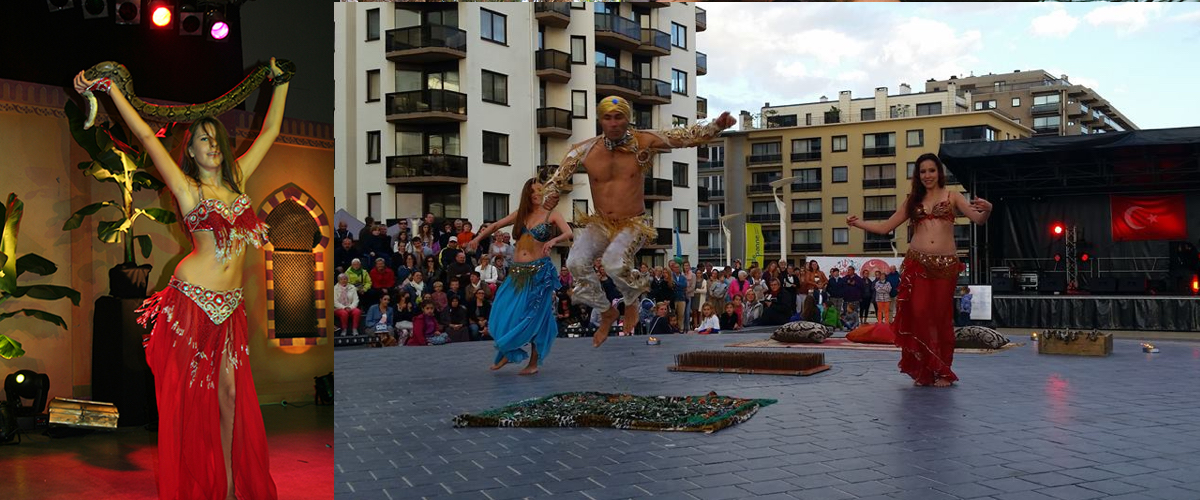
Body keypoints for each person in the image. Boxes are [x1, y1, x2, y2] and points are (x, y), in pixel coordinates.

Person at [78, 56, 290, 499]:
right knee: (195, 404)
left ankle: (230, 489)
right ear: (189, 150)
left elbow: (270, 132)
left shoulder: (238, 179)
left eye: (217, 139)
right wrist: (109, 88)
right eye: (203, 140)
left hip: (230, 308)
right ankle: (202, 486)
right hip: (191, 305)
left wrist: (282, 81)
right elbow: (141, 132)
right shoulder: (186, 187)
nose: (212, 145)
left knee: (231, 397)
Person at [543, 96, 736, 347]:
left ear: (627, 118)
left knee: (612, 263)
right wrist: (551, 194)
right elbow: (556, 179)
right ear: (600, 120)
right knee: (576, 262)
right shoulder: (584, 149)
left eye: (618, 117)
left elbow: (684, 137)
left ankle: (631, 300)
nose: (613, 123)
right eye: (608, 118)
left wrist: (716, 126)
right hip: (601, 222)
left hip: (633, 222)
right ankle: (607, 311)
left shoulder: (643, 141)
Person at [848, 152, 991, 387]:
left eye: (931, 170)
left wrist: (988, 209)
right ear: (918, 175)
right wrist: (858, 223)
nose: (927, 175)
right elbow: (886, 227)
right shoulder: (912, 200)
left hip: (945, 266)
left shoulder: (952, 196)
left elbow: (979, 219)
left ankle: (943, 371)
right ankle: (925, 369)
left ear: (939, 172)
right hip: (917, 264)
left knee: (941, 318)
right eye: (923, 171)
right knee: (920, 313)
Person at [466, 178, 573, 375]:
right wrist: (477, 239)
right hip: (516, 272)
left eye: (540, 190)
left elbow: (568, 232)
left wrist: (553, 241)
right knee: (503, 309)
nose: (537, 194)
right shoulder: (521, 215)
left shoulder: (552, 215)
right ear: (527, 194)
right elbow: (496, 225)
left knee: (535, 317)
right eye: (533, 191)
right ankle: (508, 350)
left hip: (539, 273)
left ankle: (532, 362)